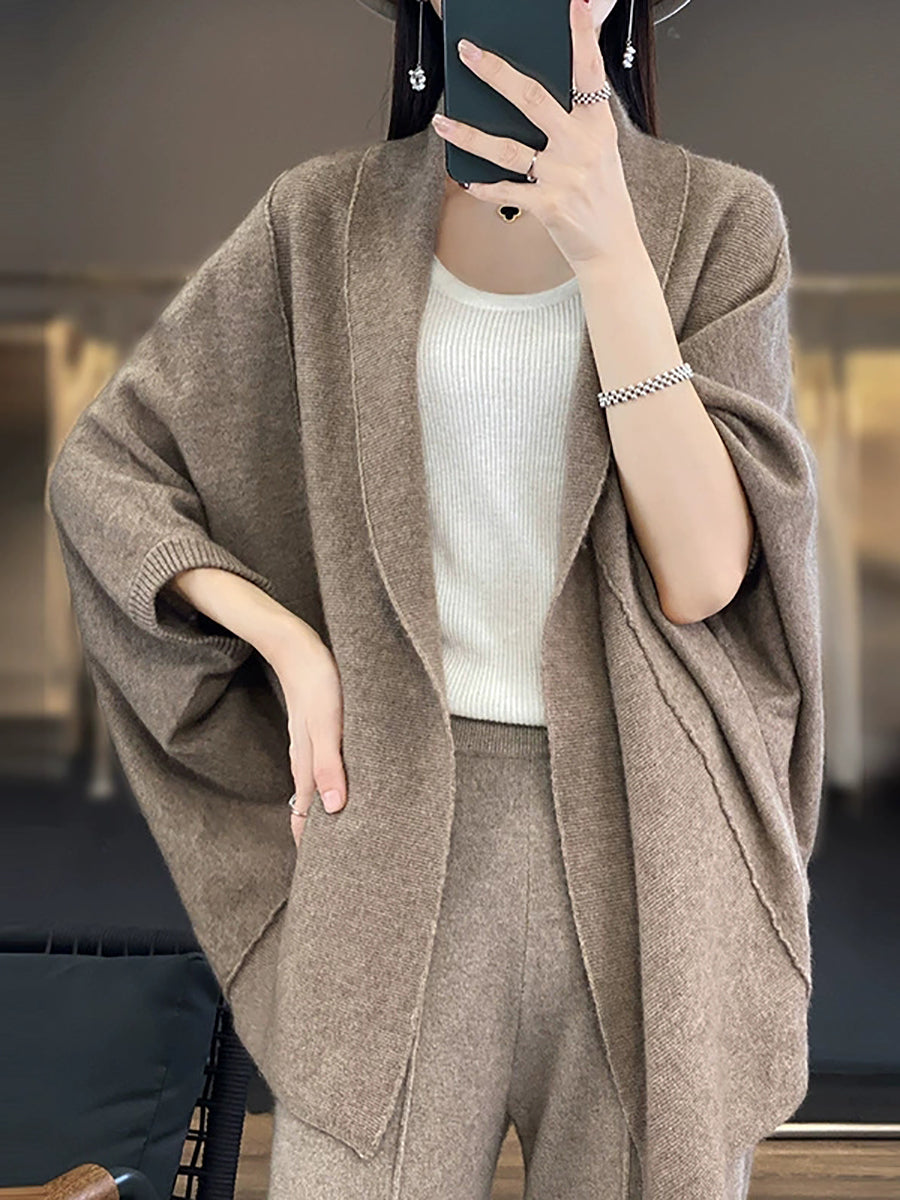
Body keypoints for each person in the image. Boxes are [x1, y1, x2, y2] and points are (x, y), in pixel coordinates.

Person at [46, 1, 824, 1197]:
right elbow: (107, 473)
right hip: (392, 833)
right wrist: (291, 645)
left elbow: (705, 575)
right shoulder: (323, 219)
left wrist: (609, 250)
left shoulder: (719, 219)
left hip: (653, 853)